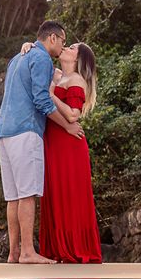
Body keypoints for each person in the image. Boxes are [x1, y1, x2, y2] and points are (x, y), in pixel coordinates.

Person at [0, 21, 84, 264]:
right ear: (52, 38)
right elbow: (42, 100)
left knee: (12, 196)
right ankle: (27, 252)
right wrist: (67, 126)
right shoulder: (42, 59)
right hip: (25, 131)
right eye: (63, 41)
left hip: (3, 132)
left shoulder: (17, 58)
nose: (63, 46)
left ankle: (14, 253)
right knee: (27, 194)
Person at [21, 40, 102, 263]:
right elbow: (39, 56)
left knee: (70, 194)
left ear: (78, 59)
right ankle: (56, 247)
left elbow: (73, 115)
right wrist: (28, 44)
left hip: (69, 145)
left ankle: (74, 247)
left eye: (73, 48)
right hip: (53, 143)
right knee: (54, 192)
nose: (67, 48)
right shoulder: (58, 75)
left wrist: (51, 95)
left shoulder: (76, 80)